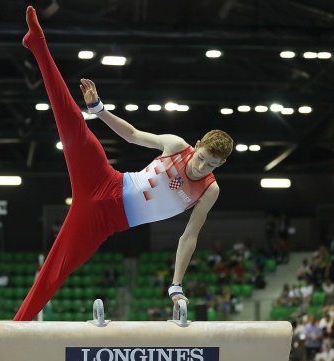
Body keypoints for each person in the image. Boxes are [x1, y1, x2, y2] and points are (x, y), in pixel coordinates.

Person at [14, 5, 233, 321]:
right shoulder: (175, 146)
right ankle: (38, 45)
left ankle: (14, 332)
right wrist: (99, 109)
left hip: (103, 221)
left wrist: (176, 284)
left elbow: (189, 236)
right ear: (196, 146)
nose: (201, 167)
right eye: (201, 158)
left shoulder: (208, 191)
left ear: (220, 165)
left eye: (211, 165)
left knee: (55, 271)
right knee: (74, 122)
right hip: (103, 179)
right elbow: (131, 135)